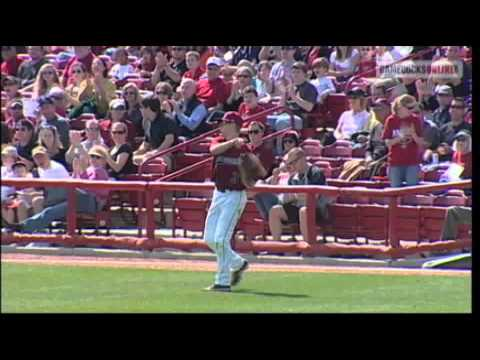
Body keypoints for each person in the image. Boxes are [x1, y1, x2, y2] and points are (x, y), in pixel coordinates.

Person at [203, 112, 267, 292]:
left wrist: (249, 171)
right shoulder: (219, 141)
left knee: (221, 239)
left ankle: (222, 282)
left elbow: (258, 172)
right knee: (209, 239)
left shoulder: (244, 149)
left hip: (234, 195)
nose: (220, 126)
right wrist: (233, 142)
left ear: (233, 125)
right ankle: (238, 263)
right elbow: (213, 150)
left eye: (224, 123)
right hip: (219, 193)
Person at [5, 146, 110, 234]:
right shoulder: (87, 169)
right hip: (77, 199)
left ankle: (24, 227)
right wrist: (77, 172)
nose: (94, 159)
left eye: (98, 157)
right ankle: (24, 227)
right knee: (51, 210)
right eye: (92, 156)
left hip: (90, 202)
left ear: (104, 160)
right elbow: (75, 182)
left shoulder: (101, 171)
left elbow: (93, 190)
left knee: (54, 195)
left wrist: (81, 173)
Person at [268, 147, 331, 242]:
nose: (291, 166)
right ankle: (277, 246)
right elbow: (286, 198)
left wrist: (294, 195)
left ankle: (308, 247)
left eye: (292, 163)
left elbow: (314, 197)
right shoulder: (293, 177)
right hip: (298, 207)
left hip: (318, 210)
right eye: (289, 164)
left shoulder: (315, 172)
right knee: (275, 210)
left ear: (302, 159)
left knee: (304, 210)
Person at [254, 131, 299, 221]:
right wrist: (275, 176)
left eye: (290, 141)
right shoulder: (279, 164)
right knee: (257, 189)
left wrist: (290, 170)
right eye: (285, 142)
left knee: (260, 189)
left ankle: (270, 218)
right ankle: (268, 218)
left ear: (296, 143)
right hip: (277, 199)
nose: (287, 144)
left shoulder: (299, 162)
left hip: (287, 203)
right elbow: (273, 188)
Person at [382, 94, 423, 187]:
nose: (412, 110)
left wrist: (413, 134)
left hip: (412, 162)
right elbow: (387, 143)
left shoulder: (415, 120)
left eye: (413, 107)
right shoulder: (391, 120)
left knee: (411, 191)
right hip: (395, 162)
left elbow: (421, 142)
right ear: (401, 107)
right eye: (409, 107)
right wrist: (400, 137)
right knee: (395, 190)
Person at [133, 95, 178, 171]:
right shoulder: (147, 123)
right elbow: (146, 144)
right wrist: (135, 153)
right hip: (152, 153)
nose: (140, 110)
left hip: (168, 154)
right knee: (133, 158)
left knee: (151, 159)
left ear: (148, 108)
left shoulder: (167, 120)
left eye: (142, 108)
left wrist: (156, 152)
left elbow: (169, 140)